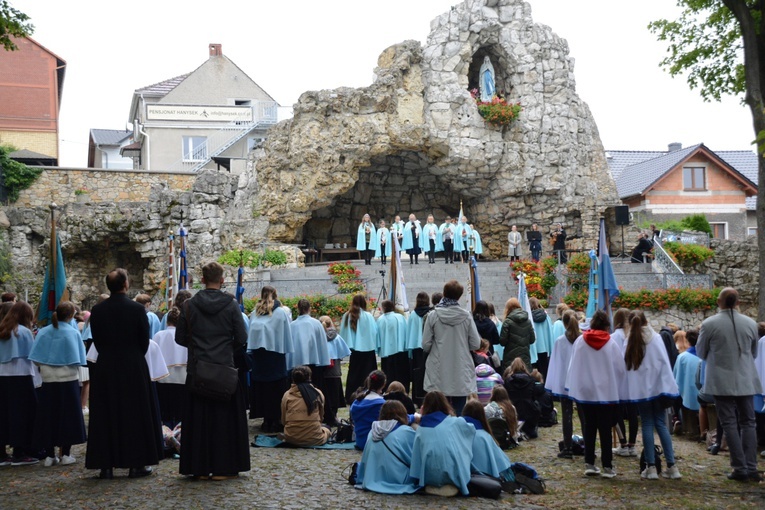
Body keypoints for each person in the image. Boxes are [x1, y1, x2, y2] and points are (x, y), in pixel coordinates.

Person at [175, 261, 249, 480]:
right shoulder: (231, 304)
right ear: (223, 280)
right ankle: (222, 468)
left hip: (198, 370)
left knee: (198, 422)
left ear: (203, 279)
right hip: (224, 369)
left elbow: (180, 337)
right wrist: (225, 350)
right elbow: (242, 337)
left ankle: (198, 468)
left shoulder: (189, 305)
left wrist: (199, 347)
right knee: (224, 422)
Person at [86, 268, 161, 480]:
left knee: (105, 413)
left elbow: (97, 341)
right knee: (134, 413)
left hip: (107, 365)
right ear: (125, 285)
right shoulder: (137, 309)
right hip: (132, 364)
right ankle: (135, 464)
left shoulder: (97, 310)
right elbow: (143, 340)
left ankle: (105, 465)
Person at [697, 287, 762, 482]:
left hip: (721, 380)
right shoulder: (751, 324)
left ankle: (739, 468)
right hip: (745, 379)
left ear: (719, 302)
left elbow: (701, 353)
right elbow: (754, 353)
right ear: (738, 302)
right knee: (749, 422)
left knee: (729, 423)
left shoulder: (709, 324)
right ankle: (751, 467)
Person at [565, 309, 626, 479]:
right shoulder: (611, 343)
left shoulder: (579, 342)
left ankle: (589, 462)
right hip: (606, 392)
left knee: (589, 426)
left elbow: (573, 366)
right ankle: (607, 465)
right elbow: (620, 369)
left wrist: (573, 386)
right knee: (605, 428)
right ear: (607, 326)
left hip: (586, 391)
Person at [622, 310, 682, 480]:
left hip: (642, 390)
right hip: (658, 388)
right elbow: (664, 362)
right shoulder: (655, 339)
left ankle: (651, 467)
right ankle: (672, 465)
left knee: (647, 424)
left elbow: (626, 367)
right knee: (661, 424)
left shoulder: (630, 341)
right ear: (646, 321)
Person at [28, 301, 87, 467]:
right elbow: (79, 358)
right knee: (68, 417)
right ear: (70, 315)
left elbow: (36, 357)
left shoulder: (44, 332)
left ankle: (49, 455)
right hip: (67, 379)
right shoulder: (73, 332)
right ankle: (66, 454)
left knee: (47, 416)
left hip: (48, 379)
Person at [422, 280, 481, 416]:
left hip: (438, 369)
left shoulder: (433, 316)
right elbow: (476, 344)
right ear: (459, 296)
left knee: (439, 409)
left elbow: (425, 345)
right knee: (459, 410)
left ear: (444, 293)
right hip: (460, 367)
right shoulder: (466, 316)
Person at [410, 391, 475, 497]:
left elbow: (417, 459)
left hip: (428, 477)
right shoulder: (455, 422)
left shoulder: (421, 430)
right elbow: (471, 431)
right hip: (452, 474)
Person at [247, 286, 293, 433]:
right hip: (275, 354)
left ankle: (267, 419)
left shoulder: (255, 313)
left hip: (260, 357)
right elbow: (287, 332)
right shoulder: (280, 313)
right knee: (275, 388)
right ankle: (275, 419)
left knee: (264, 389)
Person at [0, 301, 39, 466]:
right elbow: (33, 355)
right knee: (22, 414)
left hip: (2, 375)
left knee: (3, 414)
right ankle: (19, 451)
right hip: (21, 375)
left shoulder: (3, 330)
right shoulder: (24, 332)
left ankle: (2, 453)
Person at [355, 400, 418, 494]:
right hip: (399, 479)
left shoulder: (372, 432)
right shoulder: (406, 432)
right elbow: (416, 460)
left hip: (372, 479)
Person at [545, 310, 584, 458]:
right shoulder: (582, 340)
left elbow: (555, 364)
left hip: (565, 382)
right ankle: (588, 445)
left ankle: (568, 447)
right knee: (583, 415)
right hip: (579, 382)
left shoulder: (560, 341)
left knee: (567, 415)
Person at [288, 299, 331, 400]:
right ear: (309, 308)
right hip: (315, 363)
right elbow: (322, 344)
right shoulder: (316, 323)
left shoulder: (292, 325)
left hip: (297, 364)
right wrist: (324, 361)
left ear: (298, 309)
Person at [153, 307, 187, 429]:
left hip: (163, 378)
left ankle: (166, 433)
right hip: (183, 378)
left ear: (167, 321)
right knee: (180, 411)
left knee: (165, 411)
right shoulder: (186, 335)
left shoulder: (158, 335)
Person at [461, 399, 513, 480]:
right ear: (482, 415)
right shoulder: (485, 436)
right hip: (485, 480)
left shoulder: (457, 432)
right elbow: (502, 463)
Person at [340, 295, 378, 404]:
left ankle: (351, 396)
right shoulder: (368, 316)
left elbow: (343, 333)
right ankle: (369, 394)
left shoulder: (347, 316)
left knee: (354, 374)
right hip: (368, 349)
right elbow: (374, 332)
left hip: (355, 351)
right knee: (369, 374)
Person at [610, 308, 638, 457]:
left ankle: (623, 443)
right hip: (632, 378)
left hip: (619, 378)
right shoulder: (633, 336)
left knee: (618, 411)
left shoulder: (614, 337)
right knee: (632, 412)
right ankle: (631, 444)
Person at [280, 365, 330, 446]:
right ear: (309, 377)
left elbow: (283, 420)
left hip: (291, 438)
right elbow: (321, 417)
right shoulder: (317, 393)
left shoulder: (287, 395)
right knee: (327, 428)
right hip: (315, 438)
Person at [318, 316, 350, 427]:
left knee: (324, 394)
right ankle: (334, 416)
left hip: (322, 371)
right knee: (334, 394)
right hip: (334, 371)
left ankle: (323, 416)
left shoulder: (319, 337)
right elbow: (343, 352)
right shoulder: (336, 337)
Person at [503, 358, 545, 439]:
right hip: (529, 409)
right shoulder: (531, 380)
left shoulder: (508, 381)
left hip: (514, 409)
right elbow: (534, 396)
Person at [673, 327, 702, 438]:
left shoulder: (682, 357)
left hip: (688, 392)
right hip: (703, 391)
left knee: (686, 404)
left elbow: (677, 376)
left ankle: (691, 429)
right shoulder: (704, 355)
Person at [376, 300, 409, 393]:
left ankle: (388, 390)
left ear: (384, 308)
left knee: (388, 374)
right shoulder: (400, 317)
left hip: (386, 352)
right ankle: (402, 390)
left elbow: (377, 335)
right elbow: (405, 332)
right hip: (400, 350)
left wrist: (378, 348)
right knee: (401, 374)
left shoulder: (380, 319)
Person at [350, 370, 387, 450]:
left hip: (360, 441)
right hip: (373, 442)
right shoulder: (381, 403)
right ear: (383, 385)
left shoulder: (357, 401)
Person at [498, 297, 535, 372]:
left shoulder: (507, 322)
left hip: (510, 358)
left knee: (510, 378)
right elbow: (532, 340)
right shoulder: (527, 321)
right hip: (525, 357)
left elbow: (502, 342)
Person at [407, 292, 430, 406]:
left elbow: (409, 332)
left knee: (417, 373)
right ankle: (428, 396)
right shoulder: (431, 313)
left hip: (416, 348)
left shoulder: (413, 315)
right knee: (428, 372)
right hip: (428, 347)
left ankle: (417, 398)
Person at [529, 297, 553, 381]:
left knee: (535, 372)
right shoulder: (546, 317)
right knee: (545, 371)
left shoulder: (529, 318)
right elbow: (550, 331)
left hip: (533, 348)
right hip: (545, 347)